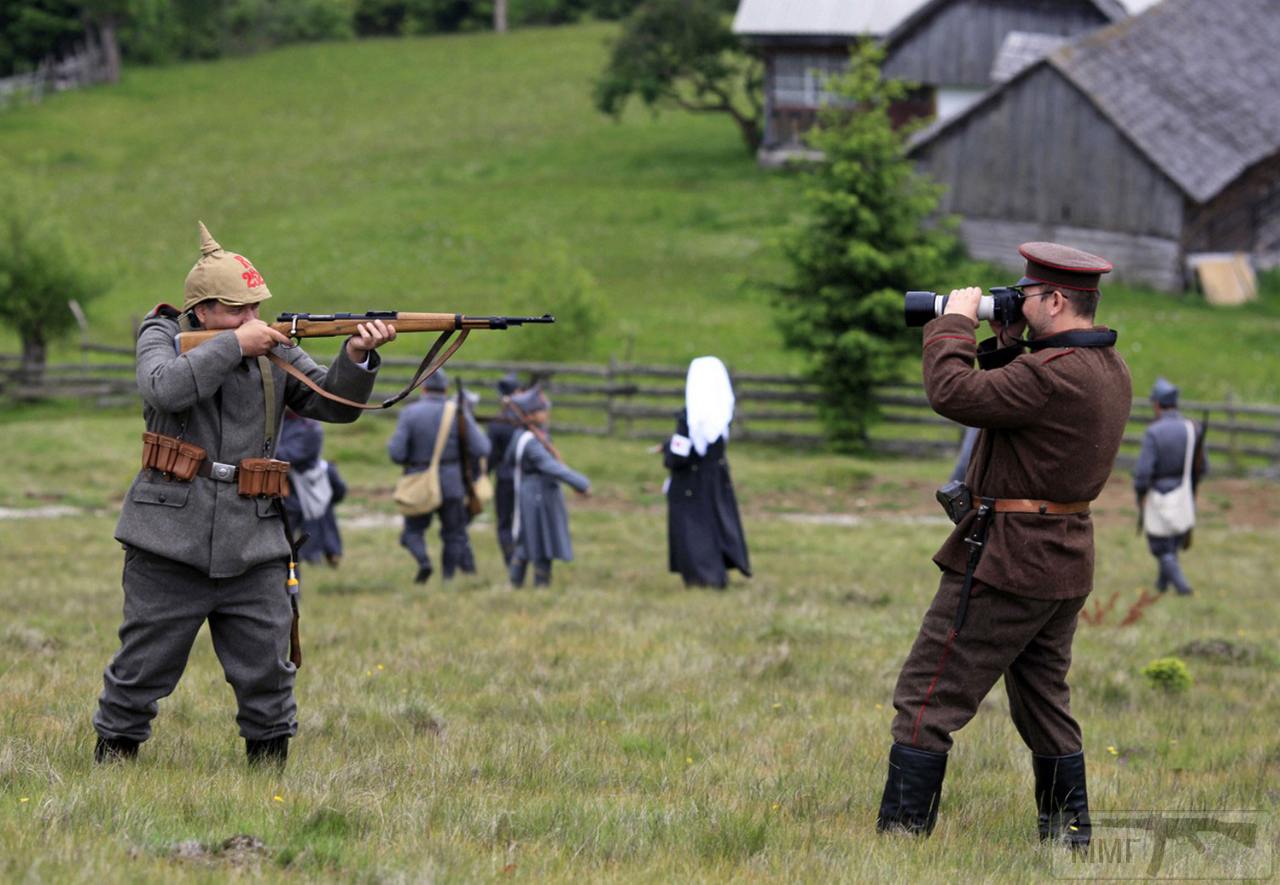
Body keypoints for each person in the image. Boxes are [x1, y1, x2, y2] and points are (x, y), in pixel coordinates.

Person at [93, 222, 394, 768]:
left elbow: (335, 406)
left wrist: (356, 356)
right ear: (203, 310)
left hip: (255, 533)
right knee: (144, 664)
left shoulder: (270, 349)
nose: (253, 319)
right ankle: (113, 761)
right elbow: (163, 386)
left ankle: (267, 774)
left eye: (256, 308)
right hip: (168, 536)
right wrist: (233, 345)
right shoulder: (160, 334)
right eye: (238, 310)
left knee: (267, 666)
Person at [875, 243, 1132, 846]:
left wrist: (953, 325)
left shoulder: (1052, 376)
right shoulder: (1103, 368)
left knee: (926, 696)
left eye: (1028, 293)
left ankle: (900, 841)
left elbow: (956, 395)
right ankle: (1069, 836)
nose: (1018, 297)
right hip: (1061, 560)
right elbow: (1014, 402)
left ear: (1055, 299)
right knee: (1043, 704)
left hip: (1008, 561)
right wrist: (1009, 338)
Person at [388, 368, 490, 584]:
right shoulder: (457, 411)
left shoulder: (409, 413)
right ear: (446, 389)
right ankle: (448, 579)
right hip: (452, 482)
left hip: (419, 481)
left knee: (413, 532)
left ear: (423, 388)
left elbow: (396, 453)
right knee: (454, 534)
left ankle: (424, 562)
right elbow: (481, 447)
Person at [662, 356, 751, 589]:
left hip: (691, 481)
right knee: (715, 522)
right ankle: (717, 574)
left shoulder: (690, 416)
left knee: (694, 528)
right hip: (717, 477)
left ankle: (703, 577)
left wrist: (667, 452)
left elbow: (681, 454)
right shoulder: (723, 413)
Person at [502, 387, 591, 588]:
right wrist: (580, 482)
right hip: (536, 494)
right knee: (539, 539)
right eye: (542, 409)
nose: (546, 413)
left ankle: (515, 583)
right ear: (531, 414)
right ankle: (539, 585)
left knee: (527, 538)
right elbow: (549, 466)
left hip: (536, 492)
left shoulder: (532, 435)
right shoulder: (529, 440)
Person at [1133, 377, 1207, 596]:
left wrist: (1140, 492)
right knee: (1172, 543)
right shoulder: (1192, 428)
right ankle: (1161, 585)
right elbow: (1202, 467)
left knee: (1159, 545)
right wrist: (1189, 487)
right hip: (1183, 492)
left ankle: (1183, 588)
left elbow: (1144, 471)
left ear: (1157, 404)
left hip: (1158, 493)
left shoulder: (1154, 432)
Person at [276, 409, 347, 568]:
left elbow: (294, 454)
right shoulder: (280, 422)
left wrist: (270, 451)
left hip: (306, 487)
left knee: (317, 523)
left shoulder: (310, 427)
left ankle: (324, 554)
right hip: (284, 487)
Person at [487, 372, 523, 565]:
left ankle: (512, 562)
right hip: (526, 477)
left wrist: (482, 477)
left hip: (505, 478)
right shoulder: (529, 421)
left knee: (504, 524)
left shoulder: (497, 423)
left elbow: (490, 456)